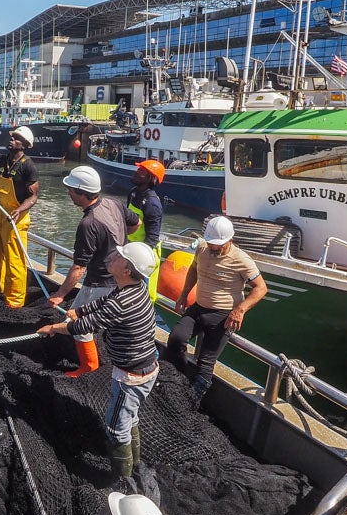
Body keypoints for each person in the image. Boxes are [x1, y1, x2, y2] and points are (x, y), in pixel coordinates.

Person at [40, 242, 159, 486]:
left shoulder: (121, 303)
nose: (113, 257)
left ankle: (123, 480)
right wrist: (79, 310)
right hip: (147, 367)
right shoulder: (133, 289)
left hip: (131, 377)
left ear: (127, 270)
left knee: (115, 428)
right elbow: (102, 304)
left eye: (119, 257)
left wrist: (53, 327)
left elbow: (84, 328)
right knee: (131, 417)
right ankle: (135, 465)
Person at [166, 216, 268, 401]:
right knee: (176, 339)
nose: (213, 248)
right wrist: (183, 294)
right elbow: (193, 270)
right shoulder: (202, 248)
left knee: (205, 362)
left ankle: (193, 400)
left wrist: (240, 310)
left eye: (218, 245)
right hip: (198, 308)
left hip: (222, 316)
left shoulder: (241, 259)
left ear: (230, 240)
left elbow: (261, 288)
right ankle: (177, 381)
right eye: (211, 243)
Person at [47, 165, 128, 376]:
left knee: (79, 326)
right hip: (121, 278)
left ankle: (88, 369)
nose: (68, 193)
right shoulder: (114, 203)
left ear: (82, 194)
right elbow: (134, 224)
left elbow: (79, 267)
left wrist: (60, 294)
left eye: (71, 190)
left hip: (99, 283)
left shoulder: (88, 223)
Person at [0, 125, 39, 307]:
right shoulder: (2, 161)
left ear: (24, 145)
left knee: (14, 259)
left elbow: (33, 196)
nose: (12, 139)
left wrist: (20, 210)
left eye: (16, 138)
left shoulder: (28, 166)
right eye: (12, 137)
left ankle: (15, 299)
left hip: (16, 218)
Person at [124, 159, 165, 299]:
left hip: (146, 253)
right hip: (131, 248)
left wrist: (140, 258)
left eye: (141, 172)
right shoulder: (133, 193)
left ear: (150, 178)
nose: (136, 173)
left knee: (144, 294)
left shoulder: (152, 203)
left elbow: (152, 237)